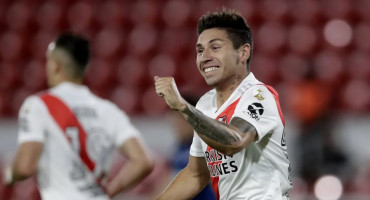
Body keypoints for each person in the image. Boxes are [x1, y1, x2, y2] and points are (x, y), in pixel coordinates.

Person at [154, 9, 292, 200]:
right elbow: (196, 175)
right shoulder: (205, 105)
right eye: (200, 50)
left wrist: (182, 106)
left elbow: (235, 141)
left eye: (215, 47)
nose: (205, 57)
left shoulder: (260, 95)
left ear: (243, 52)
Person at [3, 33, 154, 200]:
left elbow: (25, 167)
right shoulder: (109, 110)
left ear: (55, 65)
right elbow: (143, 161)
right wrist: (109, 191)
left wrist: (11, 174)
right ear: (85, 66)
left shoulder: (38, 106)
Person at [168, 95, 216, 200]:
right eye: (175, 118)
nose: (177, 125)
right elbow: (168, 181)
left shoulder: (207, 149)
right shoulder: (178, 148)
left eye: (181, 119)